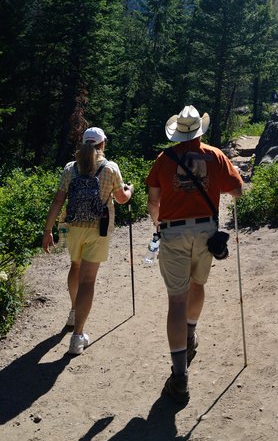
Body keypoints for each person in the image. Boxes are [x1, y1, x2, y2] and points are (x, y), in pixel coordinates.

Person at [146, 105, 243, 407]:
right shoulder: (214, 155)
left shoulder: (164, 159)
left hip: (172, 231)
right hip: (206, 231)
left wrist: (157, 223)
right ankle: (190, 334)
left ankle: (179, 378)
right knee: (197, 285)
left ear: (177, 131)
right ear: (200, 130)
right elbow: (238, 190)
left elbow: (153, 200)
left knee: (176, 298)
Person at [42, 126, 134, 355]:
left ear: (83, 143)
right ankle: (77, 337)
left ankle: (74, 312)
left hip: (71, 228)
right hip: (98, 230)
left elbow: (57, 201)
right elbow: (121, 199)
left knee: (75, 266)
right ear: (102, 144)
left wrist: (47, 230)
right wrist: (129, 190)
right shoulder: (110, 168)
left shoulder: (70, 168)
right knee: (88, 281)